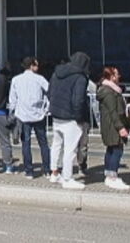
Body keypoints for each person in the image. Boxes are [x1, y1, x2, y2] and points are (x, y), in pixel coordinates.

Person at [48, 51, 90, 189]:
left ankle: (54, 173)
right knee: (70, 149)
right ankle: (67, 178)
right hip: (71, 118)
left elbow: (50, 92)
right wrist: (79, 118)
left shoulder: (56, 73)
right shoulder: (80, 78)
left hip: (56, 115)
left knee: (56, 145)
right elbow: (78, 100)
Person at [9, 56, 50, 179]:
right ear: (32, 66)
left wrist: (13, 112)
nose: (38, 67)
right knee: (43, 143)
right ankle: (47, 169)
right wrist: (46, 108)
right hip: (38, 115)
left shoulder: (16, 79)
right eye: (36, 65)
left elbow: (13, 98)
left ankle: (29, 171)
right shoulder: (40, 79)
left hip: (23, 115)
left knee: (25, 144)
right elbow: (50, 91)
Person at [97, 66, 130, 190]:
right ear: (111, 77)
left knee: (111, 149)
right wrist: (120, 127)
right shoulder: (109, 92)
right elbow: (113, 111)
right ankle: (112, 177)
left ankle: (109, 173)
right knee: (117, 150)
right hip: (112, 125)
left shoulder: (110, 90)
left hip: (110, 124)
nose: (119, 76)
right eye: (117, 74)